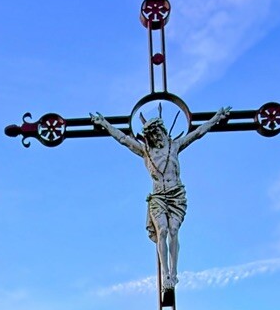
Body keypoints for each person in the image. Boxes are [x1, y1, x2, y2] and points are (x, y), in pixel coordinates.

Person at [91, 107, 230, 294]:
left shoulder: (175, 146)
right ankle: (165, 274)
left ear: (162, 131)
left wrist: (216, 118)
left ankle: (174, 273)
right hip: (158, 197)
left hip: (176, 195)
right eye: (151, 135)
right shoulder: (146, 152)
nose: (155, 138)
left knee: (173, 230)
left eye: (156, 133)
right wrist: (105, 124)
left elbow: (198, 133)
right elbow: (123, 139)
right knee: (162, 230)